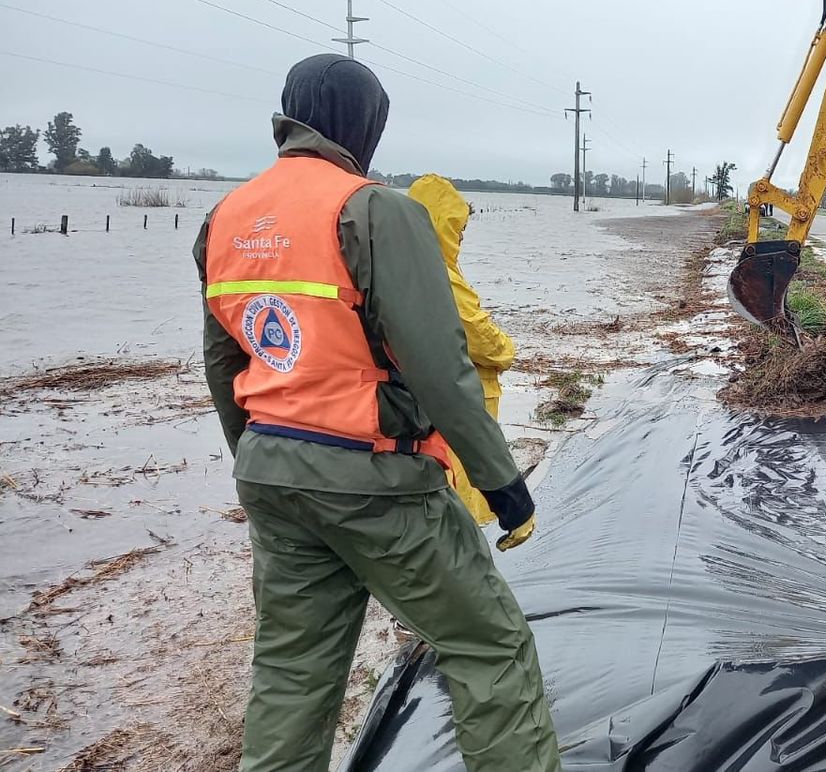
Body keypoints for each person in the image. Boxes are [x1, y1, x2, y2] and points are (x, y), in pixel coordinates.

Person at [194, 54, 560, 772]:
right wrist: (503, 485)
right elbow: (440, 365)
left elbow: (223, 362)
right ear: (365, 124)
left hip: (272, 475)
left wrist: (259, 454)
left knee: (292, 673)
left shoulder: (225, 217)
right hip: (377, 480)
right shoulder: (377, 209)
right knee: (489, 645)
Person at [408, 174, 520, 528]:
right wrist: (506, 350)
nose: (461, 235)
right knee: (460, 495)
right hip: (460, 402)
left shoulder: (402, 268)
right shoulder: (437, 274)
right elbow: (478, 332)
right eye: (457, 226)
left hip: (436, 404)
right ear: (439, 223)